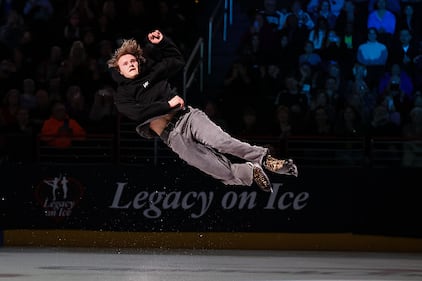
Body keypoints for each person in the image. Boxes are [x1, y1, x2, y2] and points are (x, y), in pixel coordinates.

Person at [107, 29, 298, 192]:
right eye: (125, 63)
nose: (131, 64)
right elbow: (139, 114)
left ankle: (265, 159)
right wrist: (167, 105)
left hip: (188, 118)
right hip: (172, 137)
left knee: (222, 142)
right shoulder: (122, 96)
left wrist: (163, 42)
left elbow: (177, 61)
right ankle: (251, 171)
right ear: (119, 71)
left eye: (133, 61)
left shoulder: (153, 73)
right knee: (216, 170)